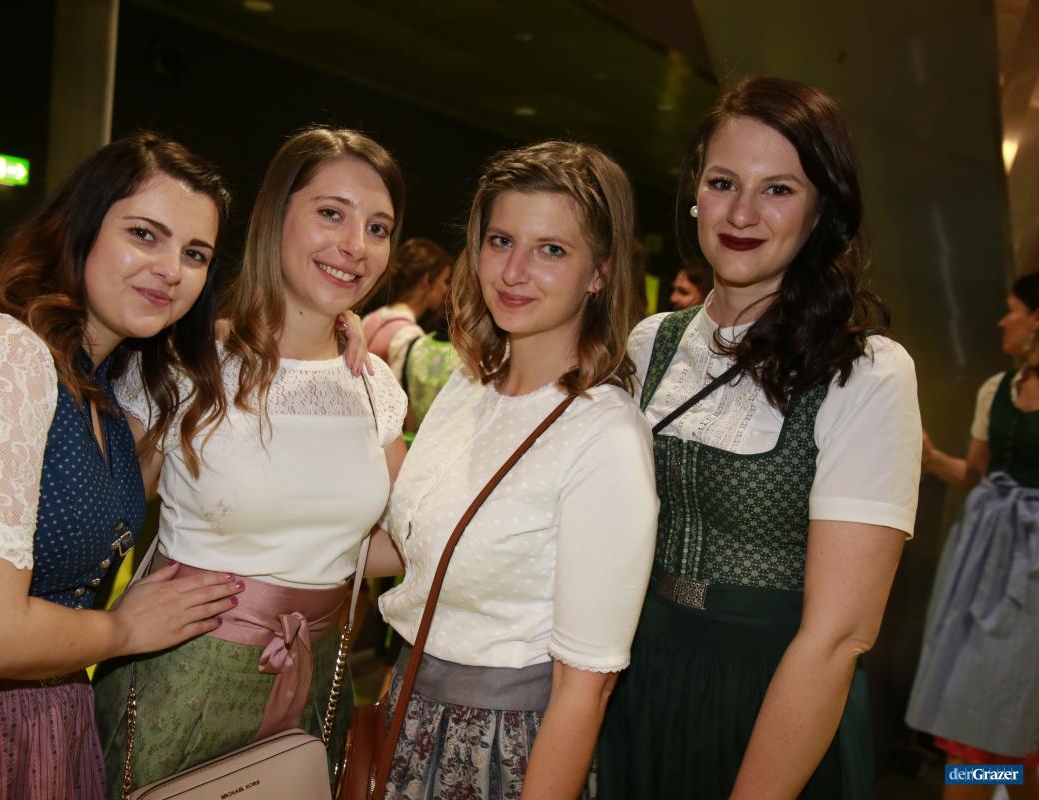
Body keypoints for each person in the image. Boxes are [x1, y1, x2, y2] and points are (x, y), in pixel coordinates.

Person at [0, 132, 244, 799]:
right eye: (145, 234)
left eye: (194, 254)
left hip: (43, 722)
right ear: (80, 228)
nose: (172, 269)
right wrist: (125, 628)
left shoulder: (100, 383)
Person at [597, 76, 922, 799]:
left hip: (776, 700)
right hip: (637, 677)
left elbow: (838, 636)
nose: (742, 213)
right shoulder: (650, 343)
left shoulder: (865, 373)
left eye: (778, 189)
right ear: (695, 191)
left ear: (821, 210)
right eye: (723, 182)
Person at [94, 127, 409, 795]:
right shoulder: (188, 363)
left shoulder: (373, 385)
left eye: (378, 227)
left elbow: (407, 541)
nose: (356, 245)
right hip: (183, 675)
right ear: (275, 216)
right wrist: (110, 624)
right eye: (332, 213)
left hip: (318, 675)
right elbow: (98, 520)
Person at [372, 140, 659, 799]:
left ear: (599, 273)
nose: (514, 271)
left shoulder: (605, 436)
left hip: (504, 748)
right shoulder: (468, 384)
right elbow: (416, 545)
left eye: (551, 249)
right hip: (406, 711)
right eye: (501, 241)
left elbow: (586, 687)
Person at [906, 272, 1039, 800]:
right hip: (984, 555)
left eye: (1013, 310)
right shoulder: (997, 389)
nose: (1003, 321)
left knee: (1020, 712)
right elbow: (976, 474)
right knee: (970, 703)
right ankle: (985, 778)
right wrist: (932, 457)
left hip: (1032, 567)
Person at [361, 236, 453, 375]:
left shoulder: (372, 318)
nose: (446, 289)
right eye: (445, 281)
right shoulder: (409, 335)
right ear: (427, 279)